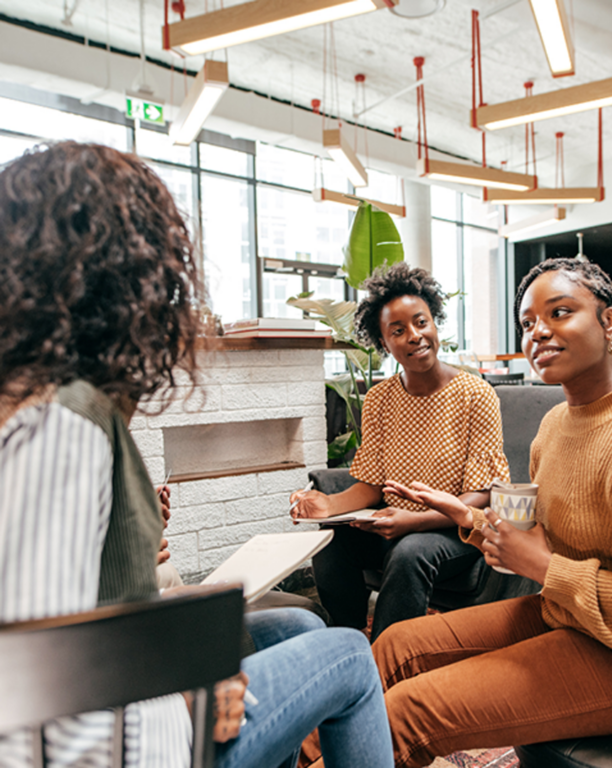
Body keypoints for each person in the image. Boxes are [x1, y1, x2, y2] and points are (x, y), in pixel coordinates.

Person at [0, 142, 393, 768]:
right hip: (140, 743)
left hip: (130, 688)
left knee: (296, 627)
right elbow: (29, 678)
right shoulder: (63, 420)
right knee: (348, 653)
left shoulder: (40, 400)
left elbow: (66, 610)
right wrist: (186, 690)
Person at [351, 258, 612, 767]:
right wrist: (467, 517)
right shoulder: (554, 426)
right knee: (396, 646)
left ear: (609, 321)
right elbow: (534, 537)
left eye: (560, 312)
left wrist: (548, 569)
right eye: (528, 323)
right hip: (572, 617)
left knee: (408, 712)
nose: (539, 332)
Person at [290, 262, 531, 641]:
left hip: (453, 531)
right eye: (398, 331)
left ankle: (388, 660)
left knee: (411, 550)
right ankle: (348, 639)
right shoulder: (380, 400)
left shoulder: (475, 395)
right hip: (392, 525)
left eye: (421, 322)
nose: (415, 336)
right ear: (383, 343)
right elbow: (370, 486)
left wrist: (413, 520)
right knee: (333, 537)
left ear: (435, 323)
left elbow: (483, 495)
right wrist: (328, 506)